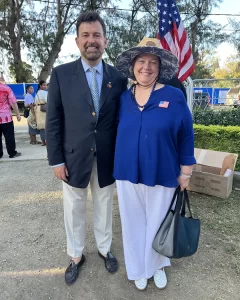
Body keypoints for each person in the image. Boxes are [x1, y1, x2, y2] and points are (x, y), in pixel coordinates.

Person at [46, 11, 127, 285]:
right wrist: (56, 160)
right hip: (72, 158)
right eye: (86, 35)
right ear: (77, 40)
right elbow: (53, 120)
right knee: (74, 208)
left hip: (106, 158)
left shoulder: (118, 78)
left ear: (105, 40)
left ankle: (105, 249)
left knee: (104, 205)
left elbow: (121, 120)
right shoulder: (60, 75)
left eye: (96, 35)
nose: (91, 41)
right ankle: (75, 255)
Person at [114, 38, 196, 291]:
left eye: (152, 62)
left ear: (159, 68)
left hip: (163, 170)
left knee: (159, 221)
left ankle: (158, 265)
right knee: (132, 223)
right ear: (133, 66)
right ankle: (138, 268)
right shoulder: (123, 98)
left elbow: (186, 134)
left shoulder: (173, 95)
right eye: (141, 62)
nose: (146, 67)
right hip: (127, 172)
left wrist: (186, 172)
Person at [0, 82, 21, 159]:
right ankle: (12, 152)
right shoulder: (6, 88)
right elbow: (13, 102)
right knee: (9, 136)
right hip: (6, 117)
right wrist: (18, 114)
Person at [35, 80, 47, 146]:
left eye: (46, 85)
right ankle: (47, 141)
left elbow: (35, 102)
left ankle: (43, 142)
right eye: (44, 85)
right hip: (44, 109)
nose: (45, 86)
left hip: (38, 110)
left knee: (41, 126)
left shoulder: (37, 93)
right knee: (46, 125)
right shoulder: (45, 93)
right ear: (40, 86)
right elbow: (47, 100)